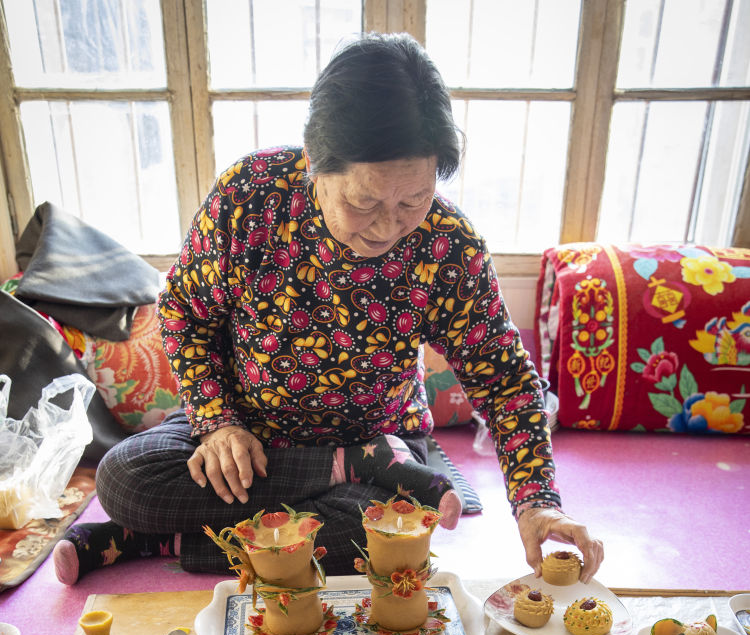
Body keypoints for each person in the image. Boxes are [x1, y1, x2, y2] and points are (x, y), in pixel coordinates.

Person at [53, 32, 603, 586]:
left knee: (387, 540)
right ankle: (345, 468)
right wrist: (217, 423)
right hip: (248, 438)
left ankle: (156, 538)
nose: (389, 226)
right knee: (122, 479)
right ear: (315, 161)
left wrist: (537, 502)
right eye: (364, 202)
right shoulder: (250, 198)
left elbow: (506, 379)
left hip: (382, 444)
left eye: (412, 200)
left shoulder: (447, 243)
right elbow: (185, 315)